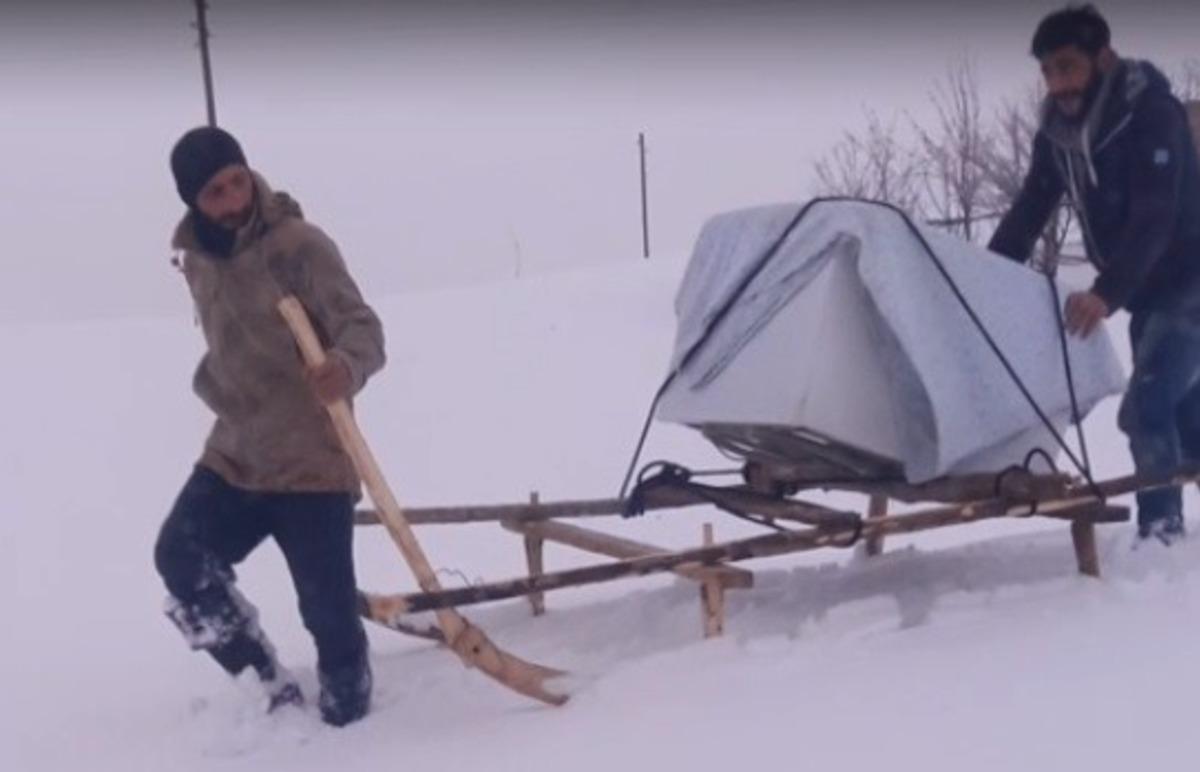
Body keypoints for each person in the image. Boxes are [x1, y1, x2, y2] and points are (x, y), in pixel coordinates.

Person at [154, 126, 385, 725]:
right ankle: (266, 683)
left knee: (331, 627)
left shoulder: (299, 246)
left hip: (312, 459)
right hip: (237, 453)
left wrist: (345, 366)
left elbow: (364, 329)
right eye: (215, 193)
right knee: (180, 557)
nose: (233, 201)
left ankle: (352, 720)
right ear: (192, 202)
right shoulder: (198, 260)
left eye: (237, 182)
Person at [988, 5, 1200, 545]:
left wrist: (1105, 293)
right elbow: (1029, 212)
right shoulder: (1060, 134)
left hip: (1190, 279)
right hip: (1149, 290)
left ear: (1102, 59)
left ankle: (1161, 536)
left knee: (1148, 406)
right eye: (1048, 72)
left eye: (1067, 67)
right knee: (1184, 413)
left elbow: (1156, 217)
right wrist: (978, 280)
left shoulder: (1153, 113)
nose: (1058, 83)